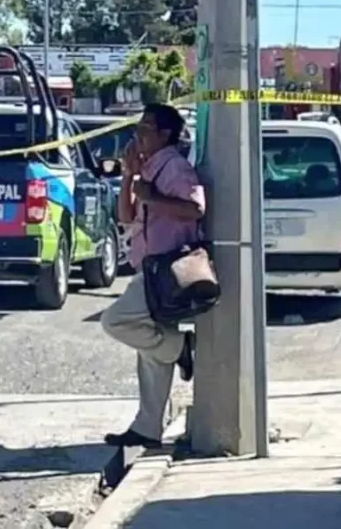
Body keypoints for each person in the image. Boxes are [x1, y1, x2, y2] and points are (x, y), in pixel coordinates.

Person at [101, 103, 204, 449]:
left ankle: (180, 348)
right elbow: (126, 215)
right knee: (149, 353)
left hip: (167, 268)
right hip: (147, 263)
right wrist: (129, 176)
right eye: (138, 128)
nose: (139, 135)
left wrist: (153, 196)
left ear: (164, 135)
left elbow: (195, 208)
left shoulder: (173, 167)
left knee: (115, 321)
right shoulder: (148, 167)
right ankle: (147, 427)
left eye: (146, 129)